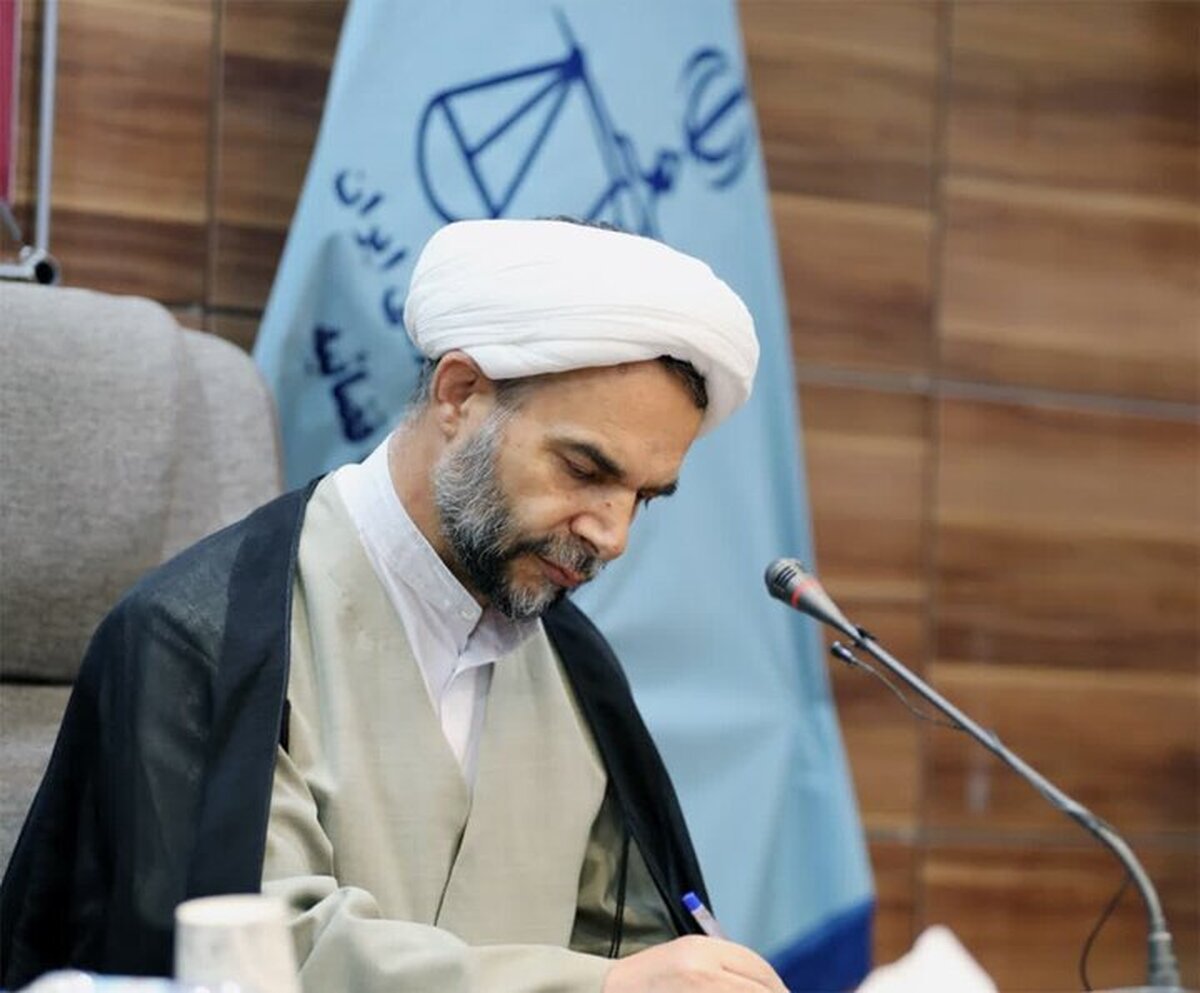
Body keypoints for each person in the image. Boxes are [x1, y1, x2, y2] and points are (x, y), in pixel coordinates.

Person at [1, 219, 787, 993]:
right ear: (460, 393)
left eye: (642, 497)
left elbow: (631, 937)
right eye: (585, 470)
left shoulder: (575, 669)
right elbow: (252, 962)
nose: (612, 535)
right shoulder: (203, 639)